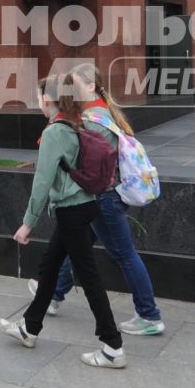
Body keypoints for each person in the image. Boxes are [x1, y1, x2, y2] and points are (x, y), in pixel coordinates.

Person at [0, 69, 126, 368]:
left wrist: (28, 222)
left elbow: (42, 182)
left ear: (49, 100)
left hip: (72, 210)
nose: (37, 102)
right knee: (49, 267)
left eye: (39, 97)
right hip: (81, 206)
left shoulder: (55, 133)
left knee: (89, 276)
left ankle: (113, 346)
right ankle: (30, 327)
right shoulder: (74, 124)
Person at [35, 62, 163, 334]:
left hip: (104, 197)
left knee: (125, 254)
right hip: (109, 194)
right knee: (75, 247)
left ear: (91, 86)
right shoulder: (105, 113)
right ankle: (54, 294)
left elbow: (85, 163)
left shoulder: (91, 121)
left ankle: (149, 316)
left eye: (75, 86)